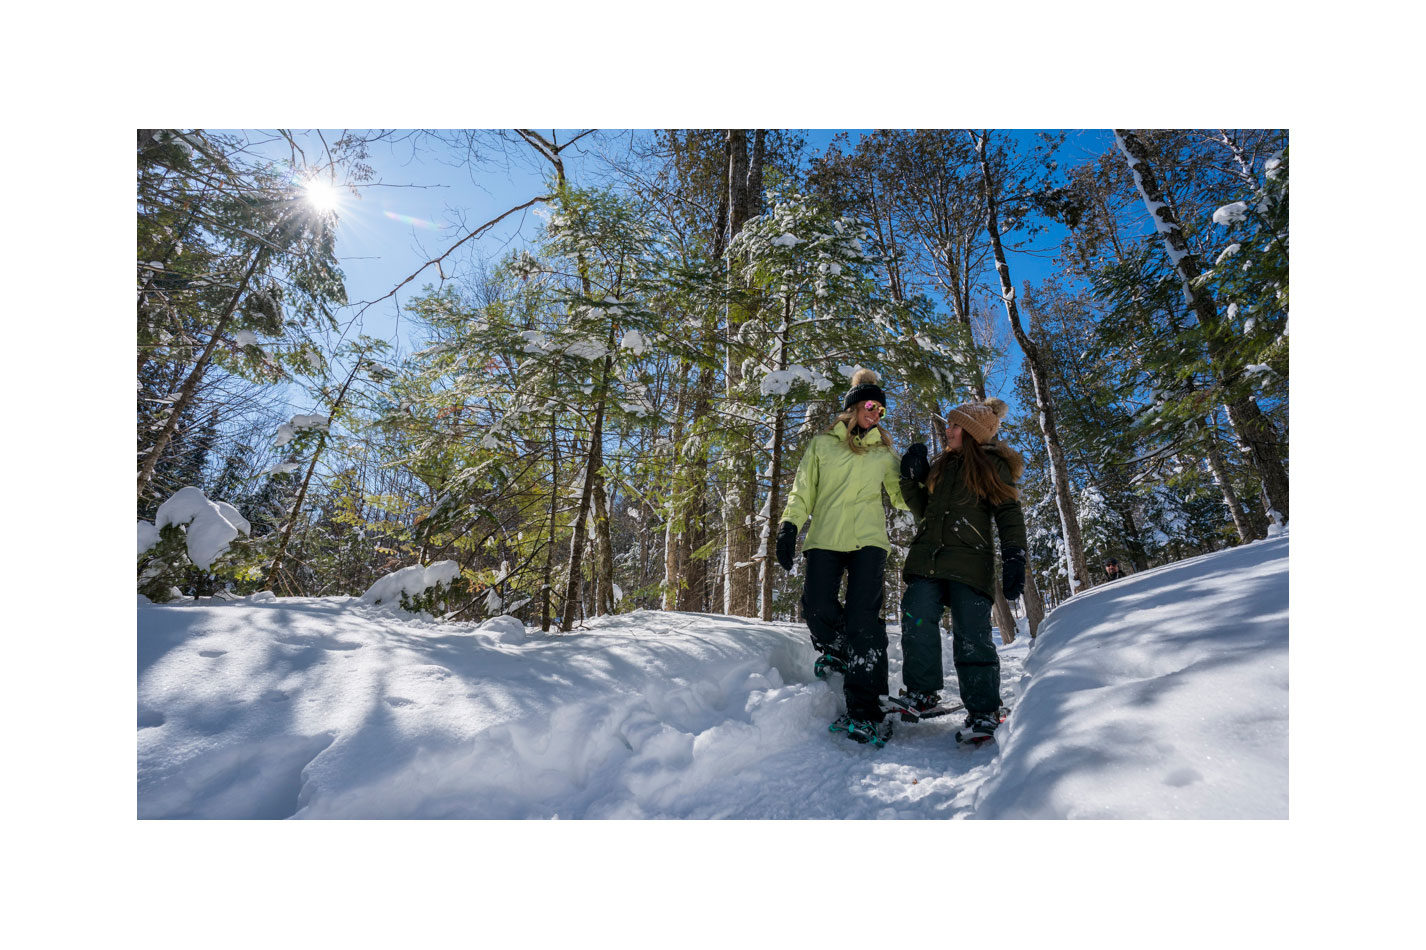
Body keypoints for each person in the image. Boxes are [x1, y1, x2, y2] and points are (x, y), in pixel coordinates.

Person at [775, 368, 909, 747]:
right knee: (815, 607)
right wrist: (789, 525)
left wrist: (918, 475)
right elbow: (802, 491)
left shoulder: (884, 451)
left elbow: (901, 497)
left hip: (868, 539)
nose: (876, 413)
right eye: (871, 405)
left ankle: (867, 710)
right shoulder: (821, 445)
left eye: (881, 410)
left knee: (864, 620)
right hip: (825, 538)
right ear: (852, 407)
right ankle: (843, 652)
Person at [896, 397, 1026, 745]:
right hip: (929, 561)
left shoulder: (991, 466)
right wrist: (911, 479)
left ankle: (983, 709)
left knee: (972, 633)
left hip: (969, 564)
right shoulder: (943, 466)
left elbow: (1009, 512)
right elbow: (925, 509)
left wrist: (1015, 553)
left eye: (954, 426)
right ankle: (922, 692)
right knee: (916, 614)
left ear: (970, 432)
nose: (948, 430)